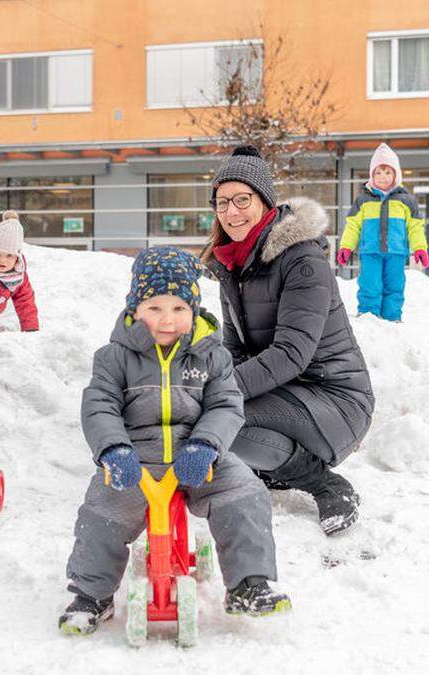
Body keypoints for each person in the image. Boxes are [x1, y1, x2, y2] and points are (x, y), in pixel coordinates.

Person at [60, 246, 290, 636]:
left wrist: (207, 444)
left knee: (244, 491)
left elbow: (226, 405)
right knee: (102, 509)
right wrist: (113, 449)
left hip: (198, 455)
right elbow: (98, 406)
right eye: (155, 309)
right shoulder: (115, 357)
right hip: (136, 459)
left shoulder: (211, 356)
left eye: (179, 310)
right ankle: (90, 595)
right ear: (136, 309)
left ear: (194, 311)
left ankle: (250, 582)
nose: (167, 320)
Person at [202, 145, 375, 536]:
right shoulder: (233, 263)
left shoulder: (302, 259)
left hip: (336, 400)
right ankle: (273, 470)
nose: (232, 212)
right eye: (222, 202)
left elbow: (291, 354)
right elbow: (235, 349)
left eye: (242, 199)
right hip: (288, 392)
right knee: (211, 409)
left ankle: (326, 483)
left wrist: (220, 393)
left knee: (225, 416)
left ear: (264, 200)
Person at [337, 142, 429, 321]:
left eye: (388, 172)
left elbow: (415, 227)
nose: (383, 177)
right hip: (370, 252)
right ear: (372, 175)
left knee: (394, 286)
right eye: (378, 172)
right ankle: (369, 317)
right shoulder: (363, 200)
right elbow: (352, 226)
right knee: (369, 284)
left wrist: (420, 248)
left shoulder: (406, 201)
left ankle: (392, 317)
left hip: (396, 252)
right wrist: (346, 246)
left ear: (396, 174)